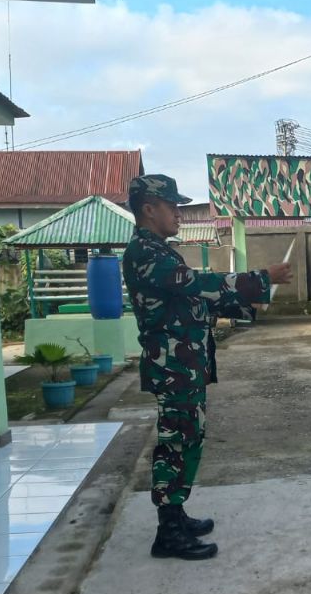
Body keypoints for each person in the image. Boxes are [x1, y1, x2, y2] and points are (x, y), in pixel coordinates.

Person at [122, 174, 292, 560]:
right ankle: (168, 532)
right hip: (173, 366)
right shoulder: (145, 252)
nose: (179, 214)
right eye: (172, 207)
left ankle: (176, 514)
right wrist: (260, 279)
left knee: (188, 437)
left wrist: (243, 303)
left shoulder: (160, 251)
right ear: (149, 209)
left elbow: (193, 302)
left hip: (184, 364)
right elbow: (195, 284)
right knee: (176, 440)